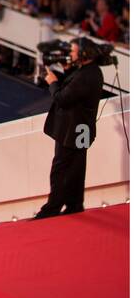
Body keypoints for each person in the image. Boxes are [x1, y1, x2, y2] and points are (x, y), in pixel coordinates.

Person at [34, 38, 106, 219]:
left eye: (73, 51)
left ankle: (52, 208)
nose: (70, 54)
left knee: (61, 168)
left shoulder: (86, 76)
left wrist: (52, 82)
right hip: (81, 128)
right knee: (76, 167)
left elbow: (62, 98)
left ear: (84, 53)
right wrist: (67, 71)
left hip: (73, 129)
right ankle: (74, 204)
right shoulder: (91, 72)